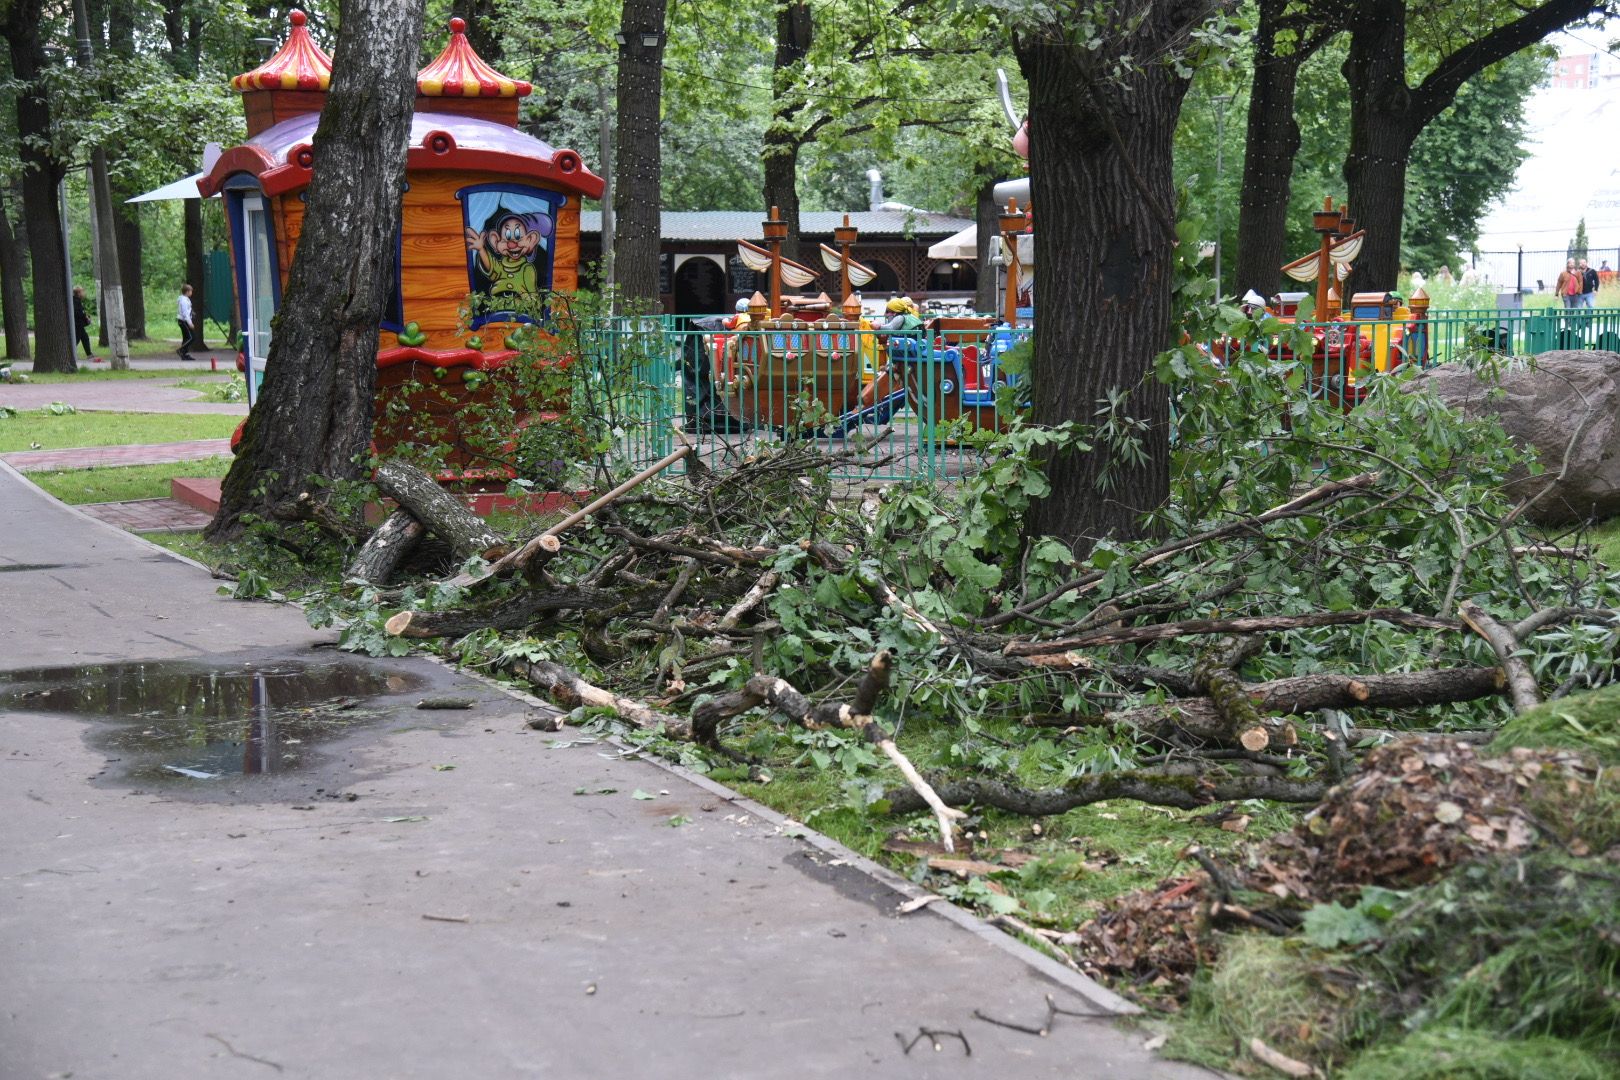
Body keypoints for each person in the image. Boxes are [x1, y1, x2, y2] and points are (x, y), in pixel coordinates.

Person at [72, 286, 95, 360]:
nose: (83, 293)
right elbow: (78, 313)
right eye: (82, 292)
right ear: (78, 293)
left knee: (84, 337)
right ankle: (70, 354)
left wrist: (85, 316)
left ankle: (89, 354)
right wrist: (85, 317)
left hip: (78, 324)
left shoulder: (77, 300)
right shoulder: (75, 301)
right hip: (77, 324)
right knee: (76, 340)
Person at [177, 283, 197, 362]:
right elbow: (185, 313)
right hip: (184, 321)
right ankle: (181, 350)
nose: (192, 293)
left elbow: (187, 310)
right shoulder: (184, 300)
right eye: (191, 291)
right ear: (187, 291)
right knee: (192, 337)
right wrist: (190, 323)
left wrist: (192, 312)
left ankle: (184, 355)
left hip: (184, 320)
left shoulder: (185, 299)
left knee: (186, 338)